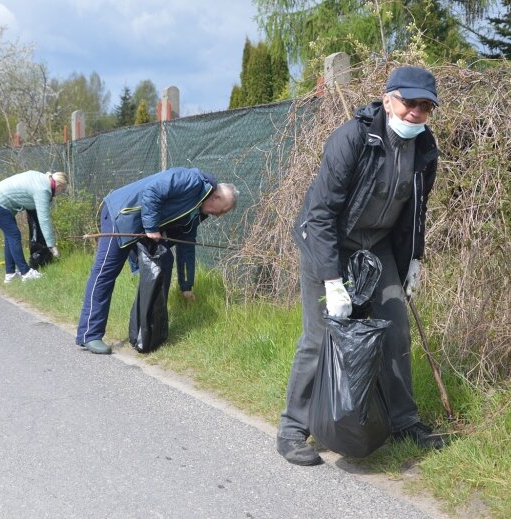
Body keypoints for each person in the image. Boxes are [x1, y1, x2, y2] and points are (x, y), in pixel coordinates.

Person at [276, 66, 444, 466]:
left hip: (379, 248)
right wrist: (332, 281)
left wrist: (414, 260)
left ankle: (403, 420)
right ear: (388, 100)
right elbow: (320, 214)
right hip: (330, 244)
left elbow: (415, 212)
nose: (415, 112)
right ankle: (292, 429)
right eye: (409, 102)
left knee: (395, 328)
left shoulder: (424, 147)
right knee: (320, 338)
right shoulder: (352, 138)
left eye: (425, 106)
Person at [76, 166, 238, 355]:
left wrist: (186, 287)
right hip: (121, 215)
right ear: (217, 198)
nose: (218, 216)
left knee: (164, 263)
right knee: (105, 272)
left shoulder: (197, 212)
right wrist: (152, 227)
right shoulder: (191, 180)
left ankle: (148, 331)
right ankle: (90, 334)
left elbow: (187, 246)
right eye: (222, 211)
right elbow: (153, 190)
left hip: (143, 226)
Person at [0, 170, 68, 284]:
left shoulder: (42, 178)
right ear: (58, 185)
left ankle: (10, 274)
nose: (61, 193)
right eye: (62, 190)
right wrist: (52, 246)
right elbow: (44, 220)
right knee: (14, 235)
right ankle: (26, 273)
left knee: (10, 236)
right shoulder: (43, 190)